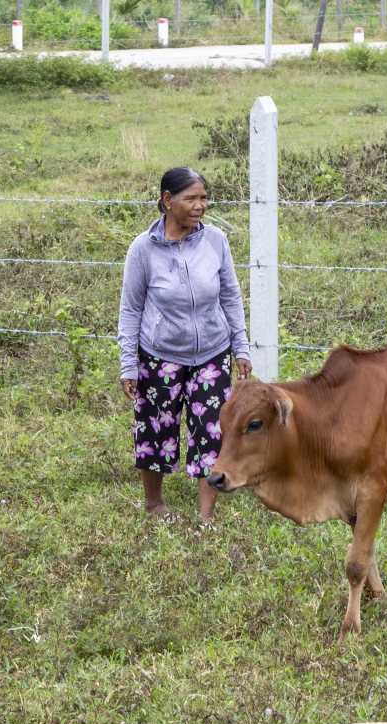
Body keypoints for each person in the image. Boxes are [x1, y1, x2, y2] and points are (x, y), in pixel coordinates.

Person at [117, 167, 252, 520]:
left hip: (212, 353)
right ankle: (154, 504)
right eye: (191, 198)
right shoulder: (143, 249)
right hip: (159, 356)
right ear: (167, 201)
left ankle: (205, 515)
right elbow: (130, 309)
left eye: (203, 198)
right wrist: (128, 364)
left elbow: (231, 297)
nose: (200, 206)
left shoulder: (216, 241)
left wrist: (241, 347)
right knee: (156, 428)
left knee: (211, 430)